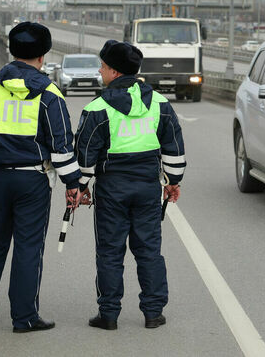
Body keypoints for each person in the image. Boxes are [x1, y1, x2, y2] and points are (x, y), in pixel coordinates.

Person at [0, 22, 85, 333]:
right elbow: (61, 147)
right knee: (29, 247)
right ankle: (24, 317)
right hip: (33, 181)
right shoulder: (50, 94)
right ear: (43, 57)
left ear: (12, 51)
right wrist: (74, 184)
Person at [75, 39, 186, 331]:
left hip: (112, 189)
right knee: (149, 249)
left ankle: (108, 315)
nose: (100, 71)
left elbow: (85, 153)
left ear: (113, 71)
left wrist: (80, 186)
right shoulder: (160, 104)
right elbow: (174, 147)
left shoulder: (97, 107)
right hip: (148, 187)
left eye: (102, 66)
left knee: (110, 252)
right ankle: (153, 313)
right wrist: (173, 182)